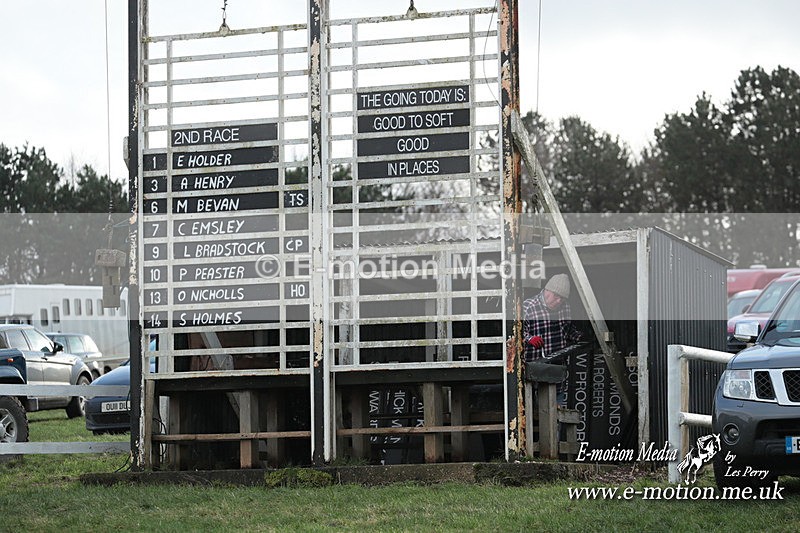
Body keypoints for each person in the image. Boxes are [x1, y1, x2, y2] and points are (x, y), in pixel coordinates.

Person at [523, 273, 582, 406]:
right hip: (533, 369)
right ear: (546, 291)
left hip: (556, 367)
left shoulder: (564, 306)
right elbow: (517, 334)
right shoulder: (528, 306)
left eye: (562, 299)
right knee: (529, 409)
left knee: (556, 411)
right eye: (556, 297)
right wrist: (529, 338)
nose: (558, 301)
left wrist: (579, 337)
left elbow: (567, 330)